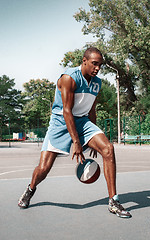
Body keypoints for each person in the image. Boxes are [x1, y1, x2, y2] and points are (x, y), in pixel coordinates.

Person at [18, 47, 131, 218]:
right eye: (94, 64)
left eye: (100, 65)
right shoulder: (69, 78)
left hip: (82, 122)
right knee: (44, 168)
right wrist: (77, 142)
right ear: (84, 61)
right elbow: (67, 111)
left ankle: (113, 201)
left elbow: (92, 110)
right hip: (60, 122)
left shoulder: (96, 83)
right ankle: (30, 188)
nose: (97, 68)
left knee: (108, 149)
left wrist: (93, 137)